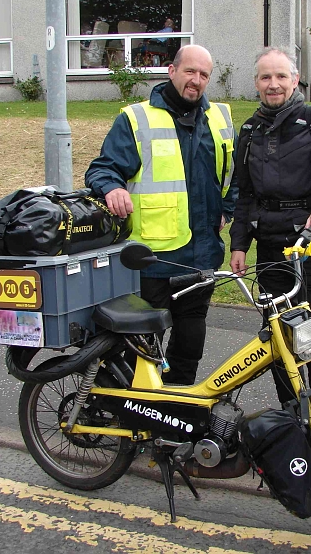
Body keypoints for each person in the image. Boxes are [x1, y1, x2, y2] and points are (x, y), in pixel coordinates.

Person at [85, 44, 237, 385]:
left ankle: (176, 408)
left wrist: (227, 209)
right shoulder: (136, 118)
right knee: (142, 344)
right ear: (171, 70)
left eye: (204, 75)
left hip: (201, 253)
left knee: (190, 339)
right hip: (151, 257)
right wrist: (113, 188)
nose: (196, 80)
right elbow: (103, 168)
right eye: (190, 72)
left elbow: (233, 174)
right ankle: (133, 410)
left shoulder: (220, 118)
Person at [229, 46, 311, 400]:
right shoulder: (250, 130)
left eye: (281, 76)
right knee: (280, 342)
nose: (274, 84)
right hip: (270, 248)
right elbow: (245, 193)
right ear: (256, 83)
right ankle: (294, 424)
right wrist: (239, 244)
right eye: (266, 77)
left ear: (295, 79)